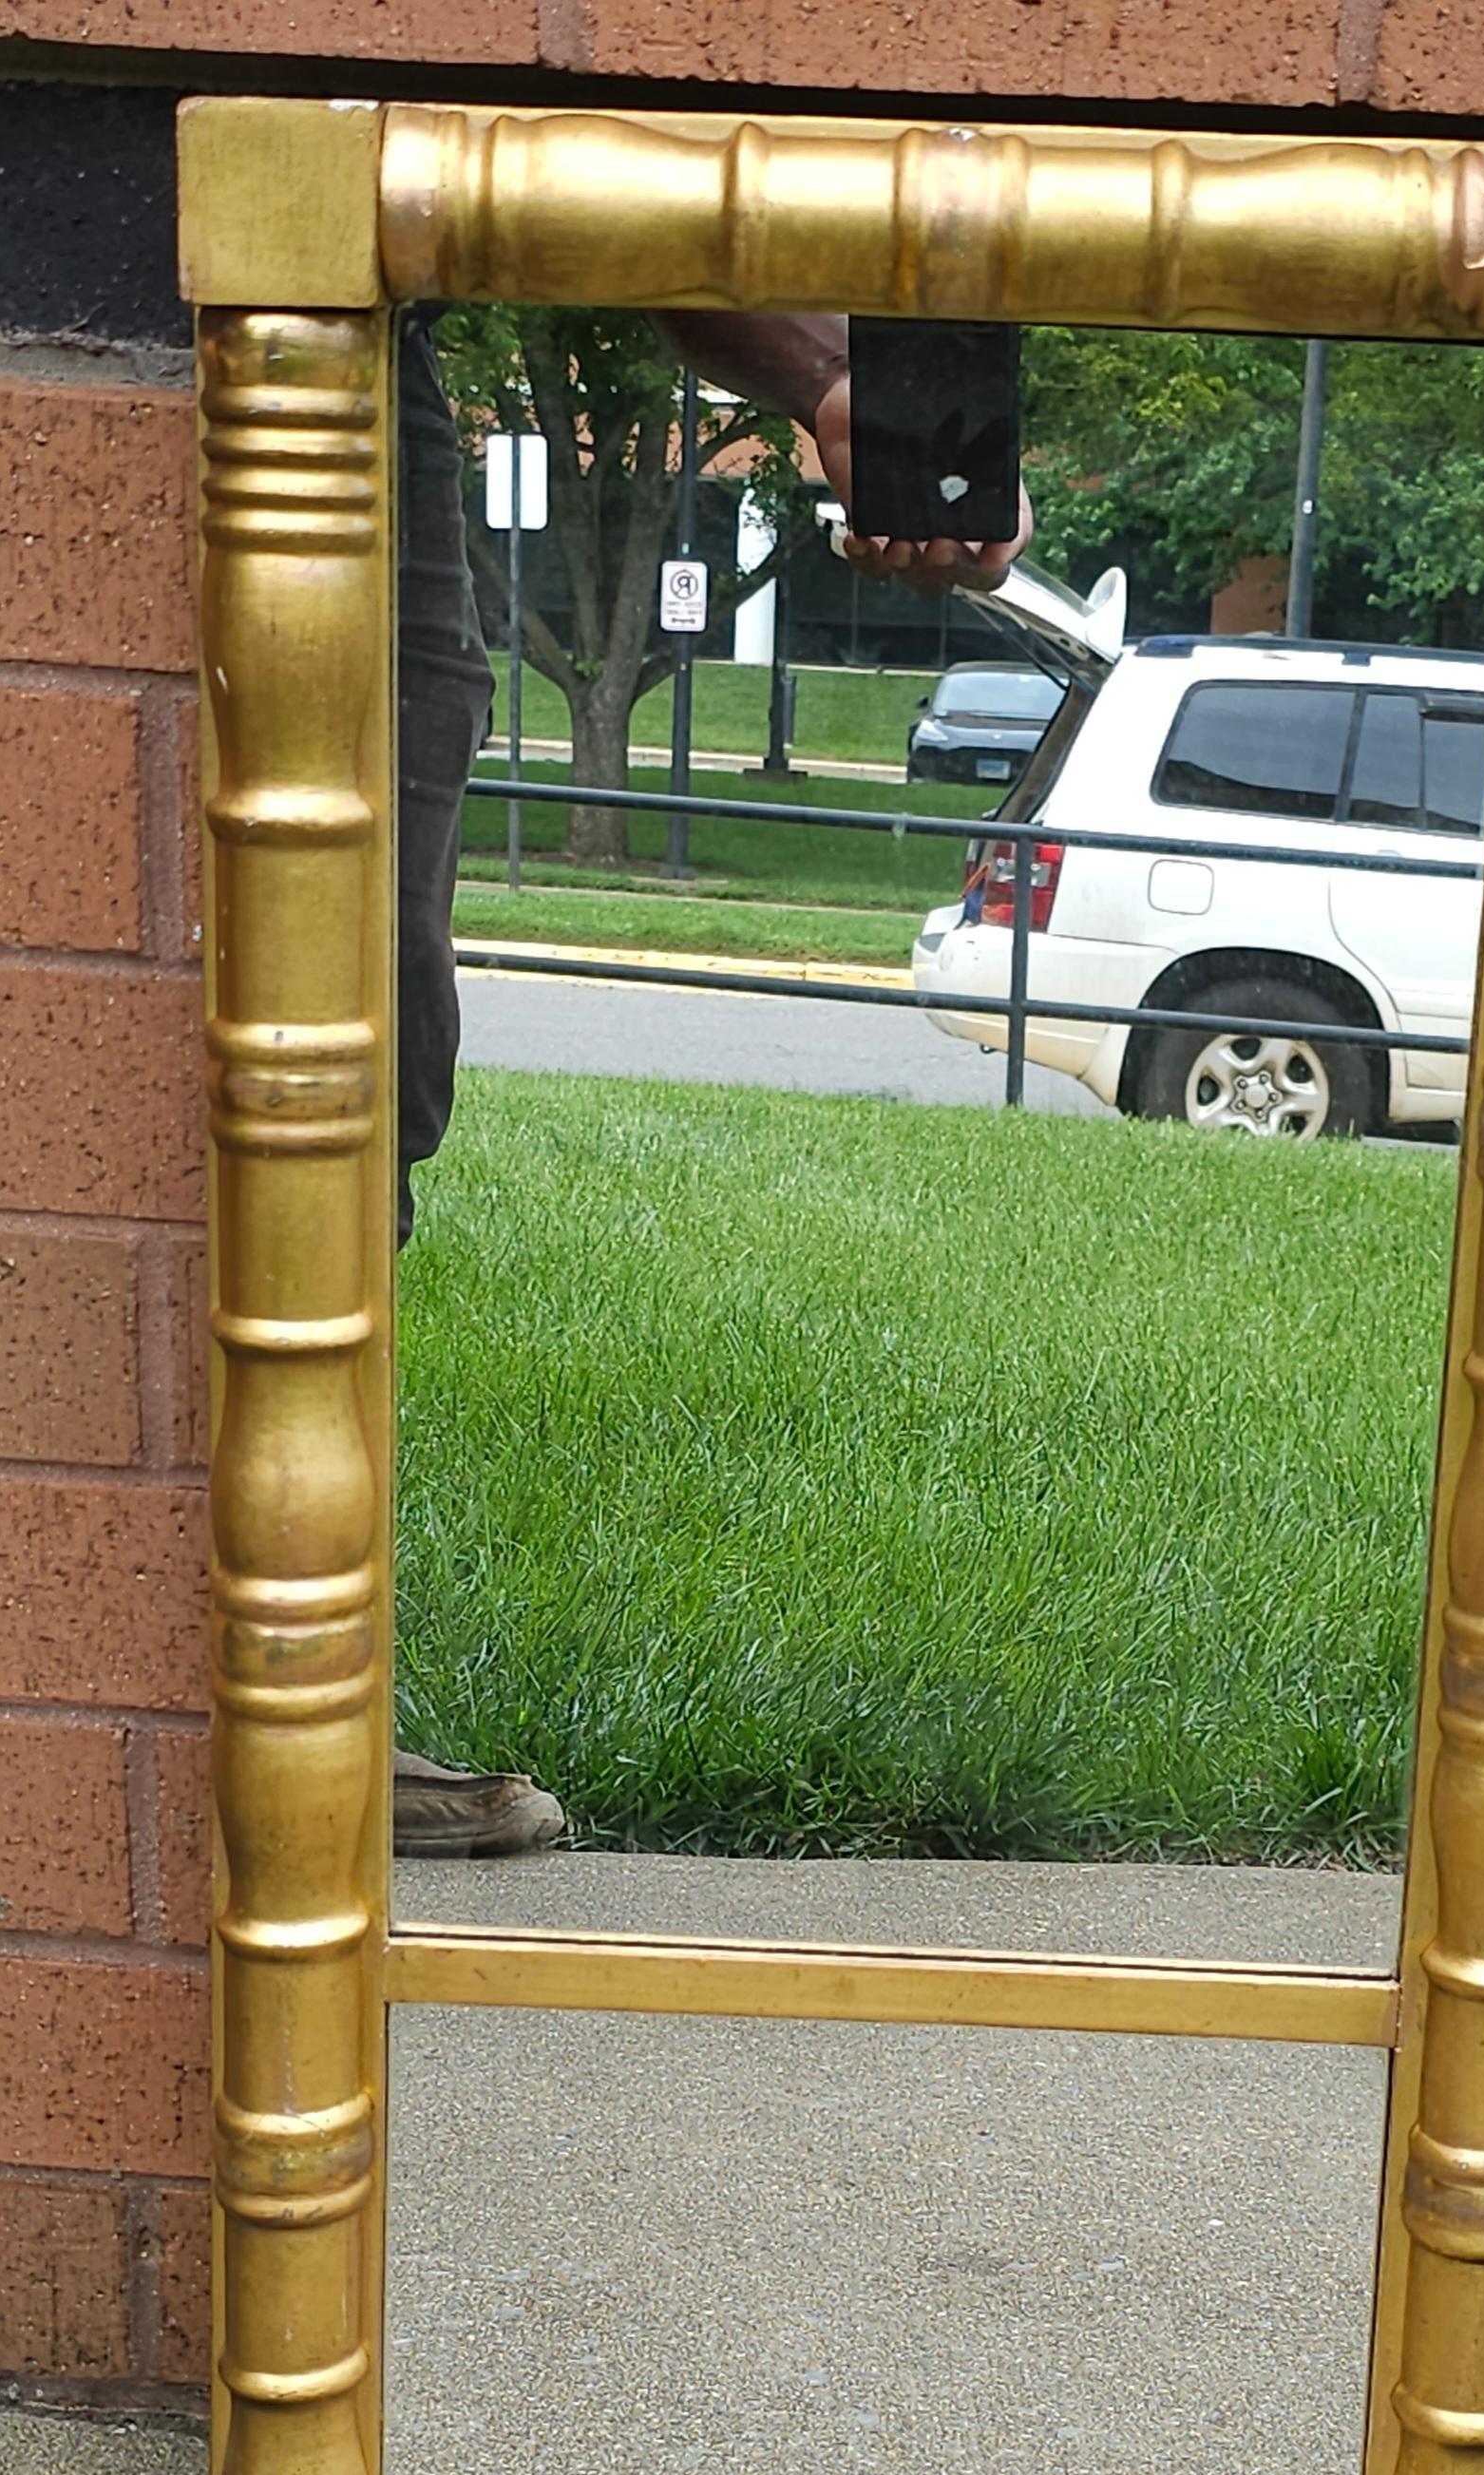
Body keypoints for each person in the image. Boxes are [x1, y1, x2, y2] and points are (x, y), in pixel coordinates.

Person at [392, 308, 1032, 1858]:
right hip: (254, 305)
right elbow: (580, 92)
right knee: (318, 1060)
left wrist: (868, 382)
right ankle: (218, 1701)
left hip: (350, 330)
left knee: (358, 1070)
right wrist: (845, 379)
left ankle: (271, 1686)